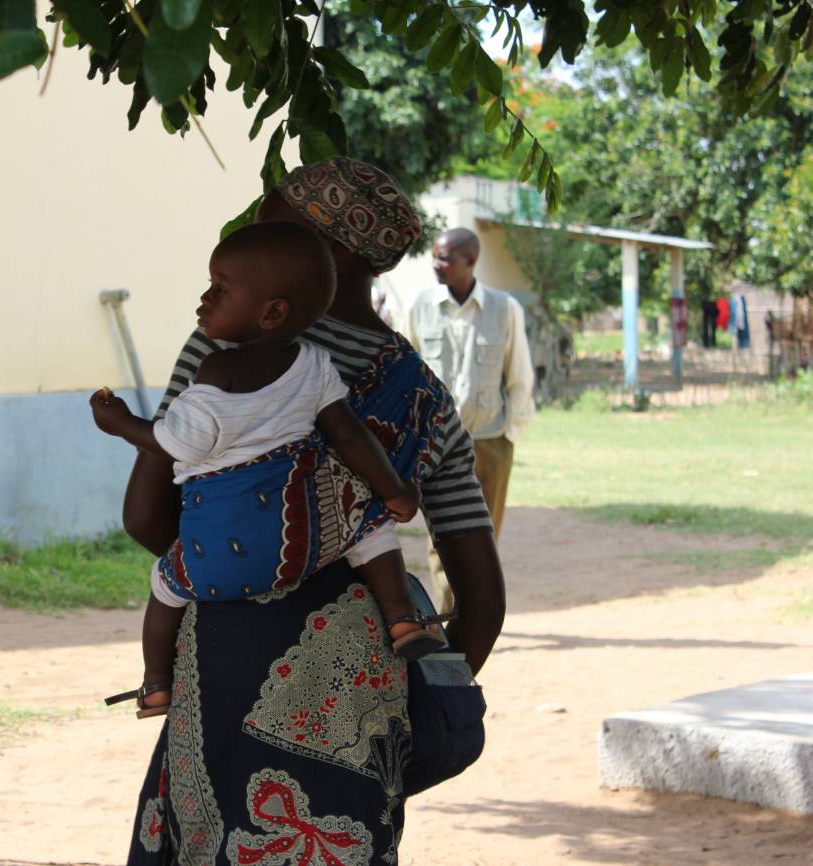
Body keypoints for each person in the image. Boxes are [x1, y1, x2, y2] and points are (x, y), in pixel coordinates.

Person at [121, 157, 505, 864]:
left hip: (227, 666)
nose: (243, 252)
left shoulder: (227, 352)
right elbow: (481, 602)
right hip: (362, 693)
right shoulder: (428, 398)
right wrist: (396, 720)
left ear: (330, 252)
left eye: (269, 233)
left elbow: (147, 517)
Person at [89, 222, 441, 719]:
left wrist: (120, 423)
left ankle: (155, 683)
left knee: (165, 584)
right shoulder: (319, 364)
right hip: (300, 544)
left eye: (219, 289)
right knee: (372, 528)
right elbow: (349, 436)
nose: (204, 299)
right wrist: (396, 491)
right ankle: (403, 618)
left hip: (216, 566)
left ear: (273, 312)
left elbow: (173, 443)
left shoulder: (214, 370)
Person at [404, 228, 534, 614]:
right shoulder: (418, 305)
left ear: (471, 261)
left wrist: (508, 436)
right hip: (436, 444)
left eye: (445, 258)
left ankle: (477, 616)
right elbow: (405, 373)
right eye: (434, 256)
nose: (435, 264)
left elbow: (519, 375)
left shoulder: (504, 307)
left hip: (490, 440)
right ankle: (448, 617)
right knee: (440, 537)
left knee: (484, 536)